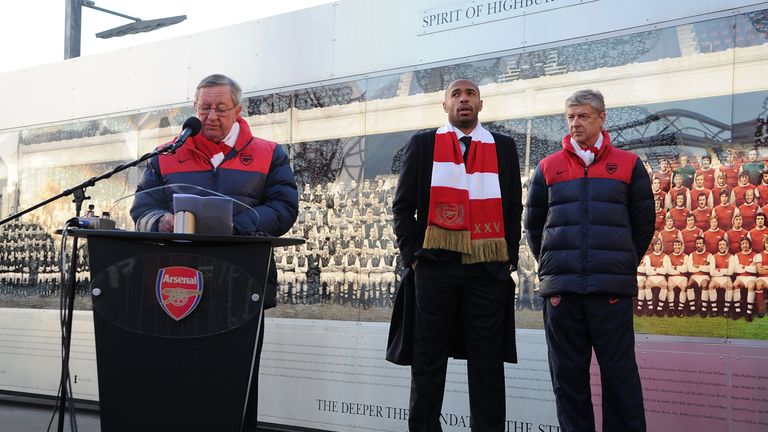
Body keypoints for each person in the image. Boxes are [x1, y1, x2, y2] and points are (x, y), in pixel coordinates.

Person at [130, 74, 299, 430]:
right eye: (204, 108)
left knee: (236, 376)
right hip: (178, 284)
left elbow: (284, 210)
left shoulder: (270, 154)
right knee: (181, 376)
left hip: (243, 280)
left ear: (238, 110)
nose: (211, 116)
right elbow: (141, 209)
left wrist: (236, 226)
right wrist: (160, 220)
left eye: (221, 108)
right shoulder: (166, 155)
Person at [389, 78, 522, 431]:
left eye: (471, 94)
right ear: (445, 105)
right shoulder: (423, 144)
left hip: (486, 269)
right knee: (428, 363)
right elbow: (402, 208)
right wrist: (414, 256)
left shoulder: (503, 147)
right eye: (456, 95)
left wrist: (508, 256)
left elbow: (513, 206)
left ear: (481, 105)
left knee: (487, 365)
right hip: (435, 267)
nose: (464, 99)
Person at [525, 89, 653, 432]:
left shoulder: (628, 164)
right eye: (570, 116)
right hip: (562, 292)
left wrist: (619, 265)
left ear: (601, 118)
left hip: (609, 289)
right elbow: (534, 227)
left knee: (620, 379)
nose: (575, 123)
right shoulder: (548, 167)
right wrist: (556, 266)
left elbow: (643, 225)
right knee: (567, 381)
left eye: (582, 116)